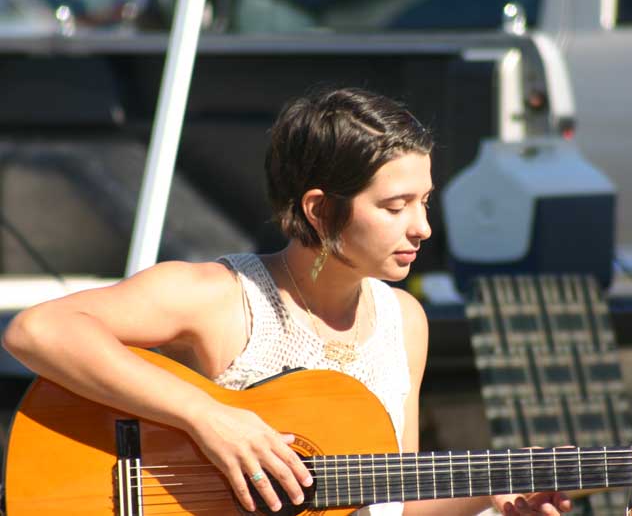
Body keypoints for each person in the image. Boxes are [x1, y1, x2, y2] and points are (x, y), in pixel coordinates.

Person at [2, 87, 572, 516]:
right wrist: (209, 419)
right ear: (321, 210)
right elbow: (36, 332)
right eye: (396, 207)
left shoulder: (405, 322)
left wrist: (492, 499)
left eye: (424, 201)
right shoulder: (223, 297)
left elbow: (387, 500)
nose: (422, 226)